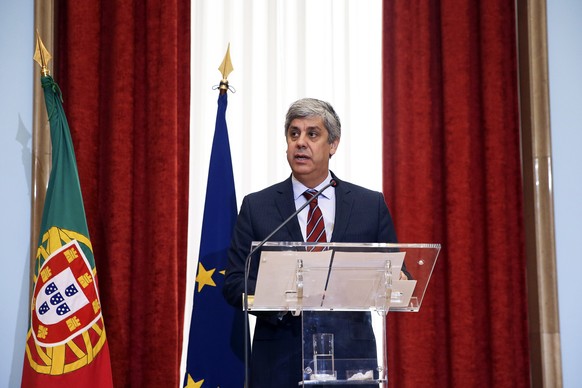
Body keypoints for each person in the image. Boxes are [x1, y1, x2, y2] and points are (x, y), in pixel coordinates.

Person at [223, 98, 404, 387]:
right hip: (279, 361)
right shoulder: (258, 206)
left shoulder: (370, 205)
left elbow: (396, 277)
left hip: (352, 363)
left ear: (333, 144)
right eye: (293, 134)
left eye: (312, 134)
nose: (300, 142)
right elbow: (234, 282)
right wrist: (282, 297)